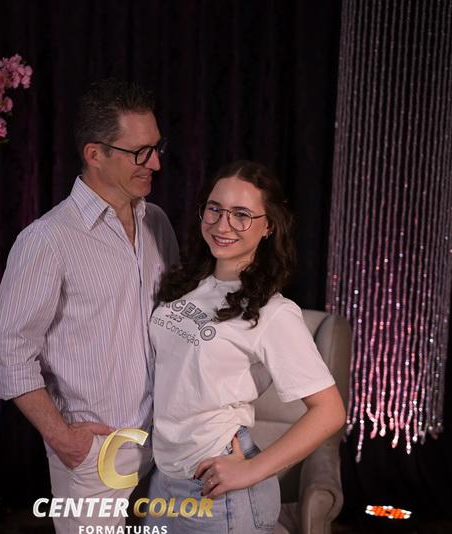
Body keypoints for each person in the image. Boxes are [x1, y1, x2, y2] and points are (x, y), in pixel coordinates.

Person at [0, 79, 179, 533]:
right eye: (140, 152)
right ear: (95, 154)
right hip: (96, 453)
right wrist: (62, 437)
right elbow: (8, 350)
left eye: (157, 147)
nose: (155, 162)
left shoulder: (157, 223)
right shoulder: (47, 239)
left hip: (166, 445)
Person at [144, 160, 346, 533]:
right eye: (215, 209)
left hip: (217, 489)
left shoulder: (273, 312)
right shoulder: (187, 284)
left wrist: (252, 470)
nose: (222, 225)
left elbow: (330, 411)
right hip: (165, 478)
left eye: (241, 215)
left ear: (268, 226)